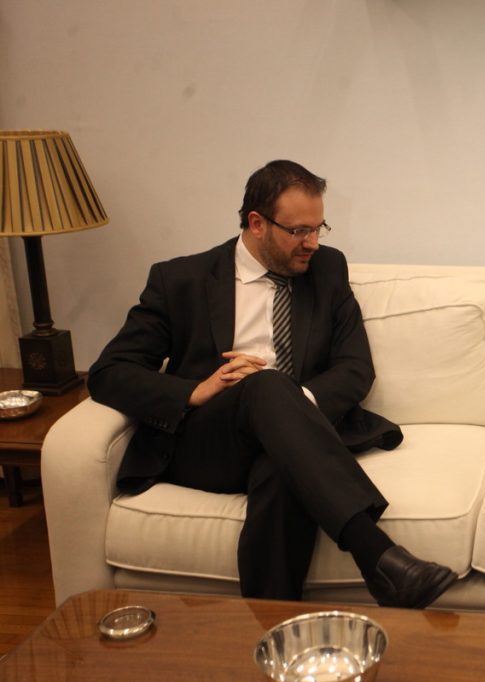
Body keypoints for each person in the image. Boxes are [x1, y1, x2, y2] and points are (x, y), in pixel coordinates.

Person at [88, 160, 456, 607]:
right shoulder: (180, 280)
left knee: (281, 461)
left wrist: (292, 405)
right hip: (209, 440)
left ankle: (275, 629)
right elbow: (109, 371)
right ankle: (376, 553)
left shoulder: (327, 269)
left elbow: (355, 367)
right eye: (299, 231)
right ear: (257, 223)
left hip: (292, 439)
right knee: (266, 386)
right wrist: (194, 391)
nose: (313, 243)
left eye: (319, 229)